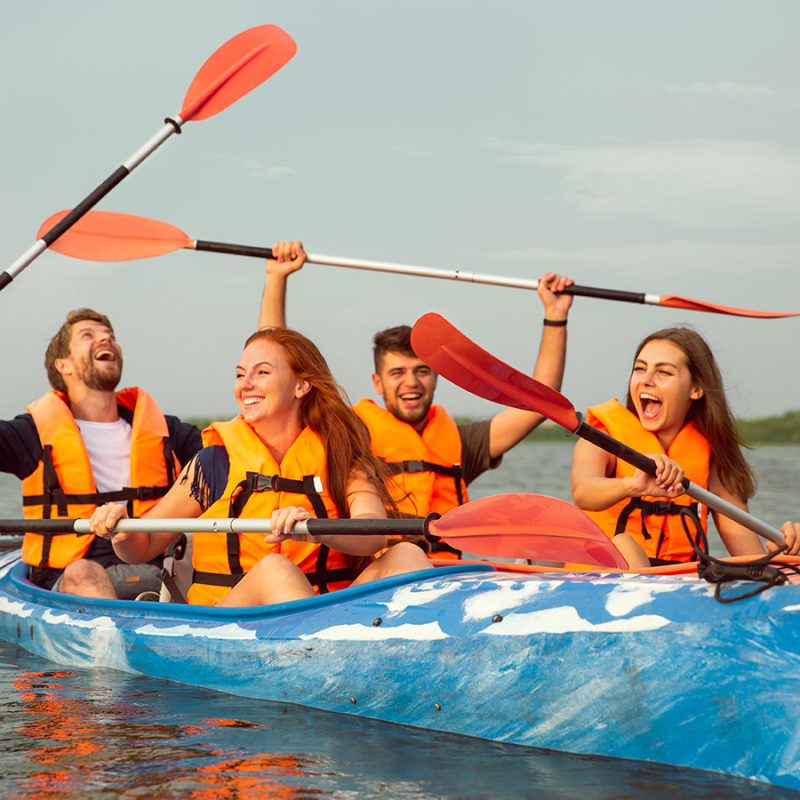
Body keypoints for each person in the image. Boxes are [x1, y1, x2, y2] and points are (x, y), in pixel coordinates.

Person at [258, 242, 574, 553]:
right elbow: (277, 369)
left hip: (449, 577)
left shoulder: (462, 441)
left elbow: (539, 404)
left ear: (436, 375)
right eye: (397, 373)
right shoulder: (352, 431)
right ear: (377, 383)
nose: (412, 383)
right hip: (385, 574)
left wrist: (555, 316)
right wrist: (276, 278)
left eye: (422, 371)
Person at [88, 326, 433, 606]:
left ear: (301, 385)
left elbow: (372, 532)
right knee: (275, 570)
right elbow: (141, 546)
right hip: (232, 620)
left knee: (405, 554)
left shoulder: (339, 454)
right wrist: (118, 528)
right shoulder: (214, 463)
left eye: (262, 372)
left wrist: (315, 527)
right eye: (240, 375)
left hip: (325, 612)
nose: (245, 385)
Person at [0, 308, 201, 598]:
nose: (105, 339)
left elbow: (247, 442)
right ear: (63, 365)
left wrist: (274, 280)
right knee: (83, 572)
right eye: (88, 336)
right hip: (74, 577)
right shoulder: (30, 434)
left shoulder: (168, 432)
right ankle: (115, 639)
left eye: (110, 336)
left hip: (160, 569)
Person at [570, 326, 800, 567]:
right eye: (640, 369)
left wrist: (786, 553)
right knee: (624, 545)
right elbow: (583, 492)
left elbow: (751, 557)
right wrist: (632, 485)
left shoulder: (711, 456)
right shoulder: (602, 438)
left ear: (696, 389)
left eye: (664, 372)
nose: (647, 380)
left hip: (678, 582)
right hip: (605, 573)